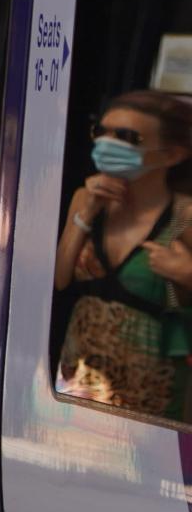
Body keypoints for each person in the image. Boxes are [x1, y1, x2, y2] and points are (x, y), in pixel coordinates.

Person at [55, 91, 192, 417]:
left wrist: (188, 275)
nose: (107, 144)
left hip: (151, 401)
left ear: (171, 154)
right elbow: (60, 279)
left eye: (126, 137)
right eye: (101, 132)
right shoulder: (84, 199)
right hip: (78, 389)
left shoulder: (183, 216)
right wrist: (85, 213)